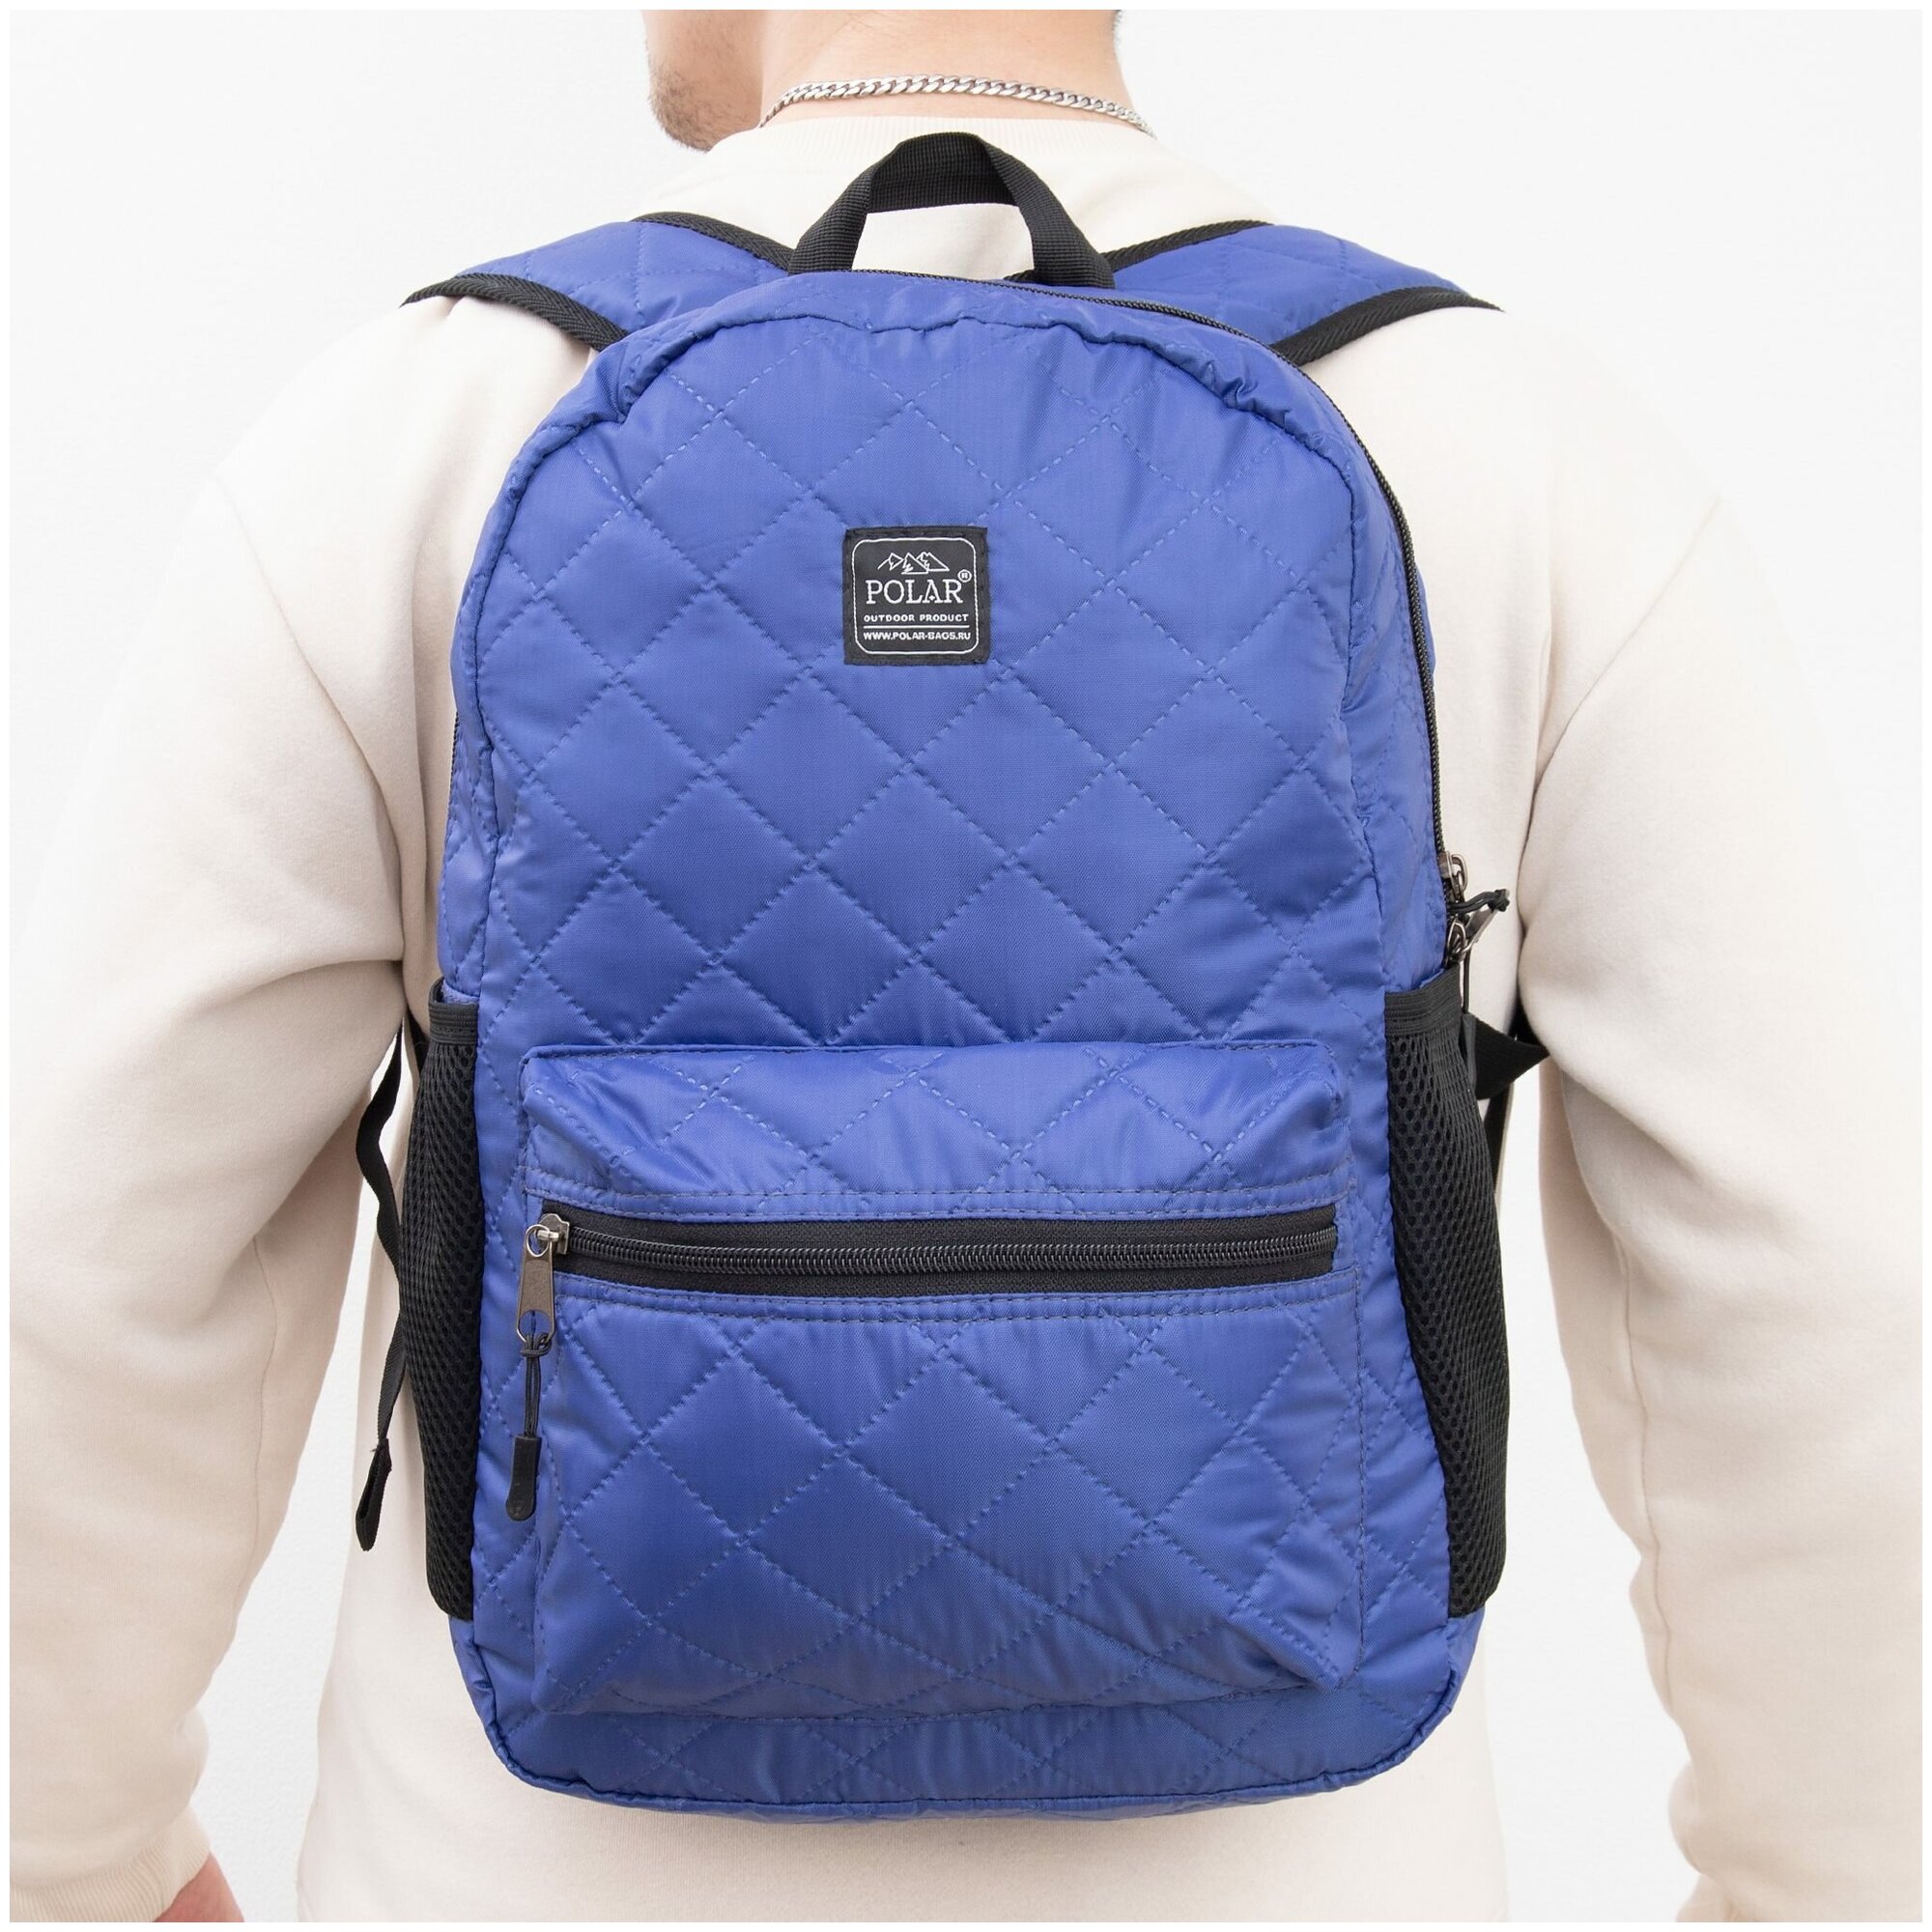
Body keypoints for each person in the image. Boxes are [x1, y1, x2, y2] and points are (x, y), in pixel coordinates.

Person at [11, 10, 1917, 1922]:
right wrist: (1813, 1886)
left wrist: (82, 1855)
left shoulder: (407, 431)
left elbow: (95, 1254)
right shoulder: (1524, 449)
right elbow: (1807, 1273)